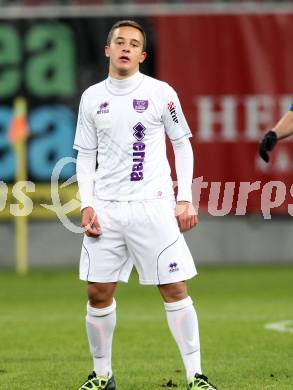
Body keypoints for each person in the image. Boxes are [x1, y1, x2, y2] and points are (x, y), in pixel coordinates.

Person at [74, 20, 218, 390]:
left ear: (142, 54)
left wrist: (184, 198)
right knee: (97, 292)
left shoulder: (161, 93)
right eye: (118, 41)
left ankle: (195, 376)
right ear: (107, 50)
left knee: (174, 288)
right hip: (107, 208)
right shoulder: (91, 97)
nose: (125, 47)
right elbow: (85, 155)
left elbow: (182, 143)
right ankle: (102, 376)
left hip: (152, 206)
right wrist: (86, 204)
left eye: (133, 43)